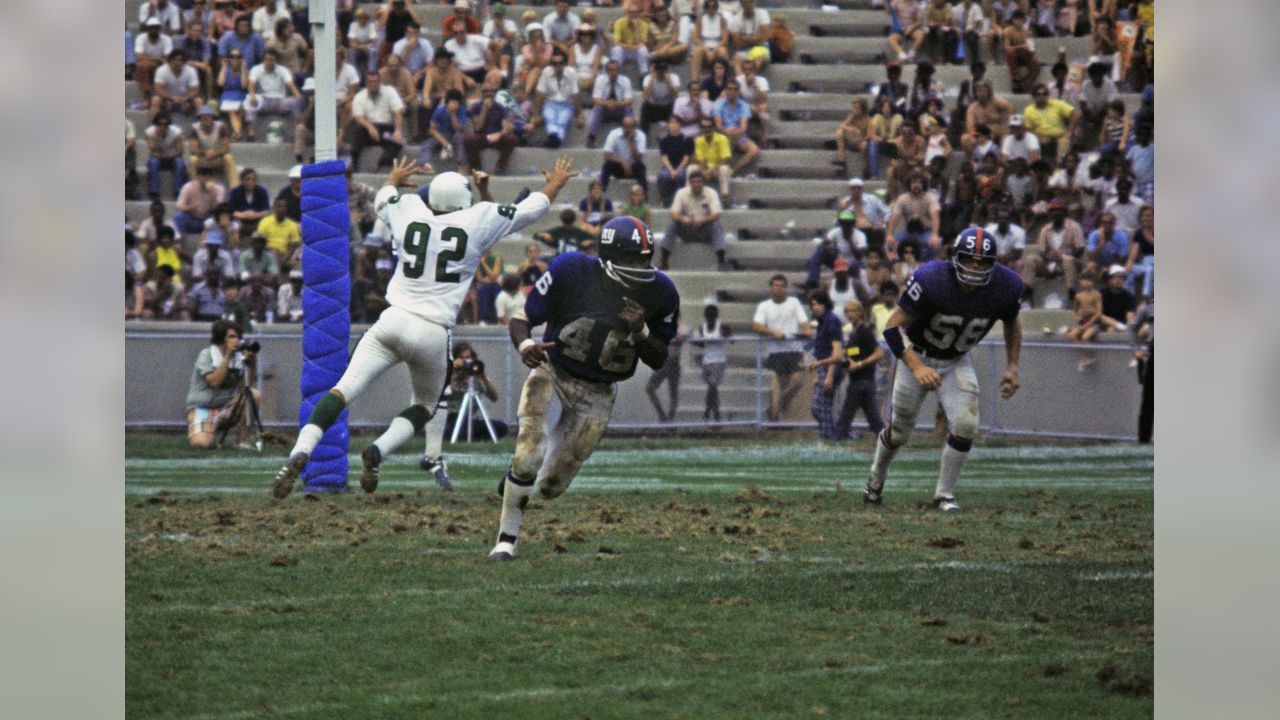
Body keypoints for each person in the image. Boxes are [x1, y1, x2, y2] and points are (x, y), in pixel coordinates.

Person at [272, 156, 577, 499]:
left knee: (342, 391)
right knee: (426, 406)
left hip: (392, 319)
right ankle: (378, 451)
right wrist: (556, 182)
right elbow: (532, 208)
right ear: (465, 199)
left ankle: (300, 451)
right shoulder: (478, 218)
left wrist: (393, 175)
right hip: (433, 330)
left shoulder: (411, 209)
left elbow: (383, 197)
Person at [488, 214, 681, 560]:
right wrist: (525, 346)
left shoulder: (661, 292)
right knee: (528, 450)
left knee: (549, 487)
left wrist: (641, 331)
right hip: (554, 370)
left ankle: (518, 481)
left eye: (645, 258)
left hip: (599, 391)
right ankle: (506, 541)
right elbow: (521, 318)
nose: (641, 266)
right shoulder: (571, 269)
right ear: (608, 257)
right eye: (631, 259)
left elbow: (658, 359)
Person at [859, 227, 1023, 512]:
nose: (975, 267)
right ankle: (875, 480)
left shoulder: (1007, 285)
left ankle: (944, 495)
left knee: (966, 425)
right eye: (969, 259)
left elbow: (1012, 320)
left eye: (982, 261)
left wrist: (1012, 365)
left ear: (993, 264)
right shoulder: (932, 278)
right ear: (954, 258)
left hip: (955, 359)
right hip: (916, 357)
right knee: (899, 432)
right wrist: (918, 366)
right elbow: (892, 327)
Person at [185, 319, 260, 449]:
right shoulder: (207, 355)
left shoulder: (238, 358)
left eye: (237, 336)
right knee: (201, 444)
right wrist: (228, 356)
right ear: (221, 338)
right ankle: (208, 428)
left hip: (225, 407)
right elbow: (214, 382)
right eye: (231, 336)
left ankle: (242, 441)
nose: (236, 340)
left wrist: (252, 363)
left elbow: (247, 385)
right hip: (203, 407)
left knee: (253, 394)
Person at [753, 274, 812, 421]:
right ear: (771, 288)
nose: (778, 289)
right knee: (784, 385)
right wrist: (773, 332)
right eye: (775, 285)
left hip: (794, 348)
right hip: (776, 350)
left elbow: (804, 322)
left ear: (785, 288)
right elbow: (757, 325)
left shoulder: (794, 302)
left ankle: (774, 409)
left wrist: (806, 329)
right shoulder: (764, 306)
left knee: (797, 382)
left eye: (781, 286)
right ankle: (781, 419)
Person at [835, 300, 885, 441]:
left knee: (845, 417)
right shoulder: (854, 333)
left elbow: (879, 352)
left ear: (860, 312)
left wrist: (859, 364)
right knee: (874, 420)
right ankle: (886, 440)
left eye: (852, 310)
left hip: (862, 381)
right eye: (846, 311)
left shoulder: (865, 330)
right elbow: (857, 352)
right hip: (860, 381)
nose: (849, 314)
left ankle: (837, 441)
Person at [662, 167, 726, 269]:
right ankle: (664, 260)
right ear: (690, 183)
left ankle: (721, 261)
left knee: (716, 225)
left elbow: (716, 214)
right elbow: (673, 213)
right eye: (694, 182)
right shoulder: (681, 193)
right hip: (688, 228)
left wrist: (703, 220)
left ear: (703, 183)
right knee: (672, 223)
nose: (697, 184)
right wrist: (684, 219)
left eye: (699, 182)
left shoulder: (712, 193)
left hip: (705, 229)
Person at [348, 71, 405, 172]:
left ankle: (381, 164)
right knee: (357, 134)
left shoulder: (389, 91)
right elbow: (357, 116)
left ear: (380, 81)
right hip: (367, 128)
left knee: (397, 141)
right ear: (366, 83)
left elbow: (398, 111)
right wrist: (370, 127)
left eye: (376, 81)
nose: (373, 84)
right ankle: (354, 166)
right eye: (370, 82)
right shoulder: (359, 96)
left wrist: (398, 130)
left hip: (385, 129)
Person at [806, 292, 845, 440]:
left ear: (826, 304)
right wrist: (818, 375)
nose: (815, 307)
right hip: (823, 367)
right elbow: (820, 350)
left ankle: (829, 435)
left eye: (818, 304)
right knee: (822, 407)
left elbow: (836, 352)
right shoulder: (822, 321)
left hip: (831, 367)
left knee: (820, 407)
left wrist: (829, 375)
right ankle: (833, 434)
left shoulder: (831, 321)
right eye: (813, 305)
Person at [534, 49, 578, 148]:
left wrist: (578, 115)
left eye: (561, 63)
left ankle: (553, 139)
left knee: (562, 121)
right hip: (550, 103)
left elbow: (576, 94)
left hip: (566, 104)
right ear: (551, 64)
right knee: (549, 117)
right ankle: (556, 139)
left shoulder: (572, 73)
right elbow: (540, 92)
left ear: (565, 64)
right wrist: (536, 114)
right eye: (555, 63)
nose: (558, 66)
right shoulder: (546, 72)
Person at [586, 59, 634, 148]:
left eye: (615, 70)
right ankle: (591, 137)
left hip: (619, 108)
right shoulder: (600, 79)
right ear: (607, 71)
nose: (613, 72)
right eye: (611, 70)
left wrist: (617, 104)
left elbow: (629, 100)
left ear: (619, 70)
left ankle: (630, 136)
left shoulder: (625, 80)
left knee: (628, 109)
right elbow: (595, 99)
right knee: (598, 108)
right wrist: (606, 103)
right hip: (605, 109)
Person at [646, 321, 687, 423]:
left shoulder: (681, 328)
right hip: (662, 363)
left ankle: (670, 420)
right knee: (650, 388)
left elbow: (681, 337)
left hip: (674, 365)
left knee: (673, 394)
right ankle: (662, 416)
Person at [600, 116, 649, 196]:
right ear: (622, 127)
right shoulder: (614, 134)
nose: (629, 130)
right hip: (619, 167)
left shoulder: (641, 136)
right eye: (626, 127)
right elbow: (606, 155)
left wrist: (631, 142)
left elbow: (639, 158)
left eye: (631, 127)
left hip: (633, 168)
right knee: (607, 165)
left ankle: (644, 196)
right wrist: (622, 162)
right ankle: (601, 192)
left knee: (641, 166)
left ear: (635, 127)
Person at [1066, 274, 1105, 371]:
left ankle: (1088, 356)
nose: (1087, 283)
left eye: (1089, 280)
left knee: (1085, 337)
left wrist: (1090, 322)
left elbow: (1099, 312)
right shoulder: (1079, 296)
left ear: (1093, 282)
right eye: (1084, 280)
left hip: (1093, 322)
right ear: (1080, 282)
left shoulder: (1097, 295)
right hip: (1083, 322)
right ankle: (1084, 358)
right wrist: (1077, 317)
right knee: (1071, 336)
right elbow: (1074, 312)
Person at [146, 112, 188, 199]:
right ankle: (154, 191)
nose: (162, 126)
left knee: (180, 162)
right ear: (155, 124)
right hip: (159, 158)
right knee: (153, 162)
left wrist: (167, 155)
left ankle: (178, 191)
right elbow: (152, 151)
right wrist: (161, 153)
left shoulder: (176, 133)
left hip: (172, 158)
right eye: (160, 124)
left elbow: (180, 152)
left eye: (165, 124)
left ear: (168, 124)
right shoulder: (150, 132)